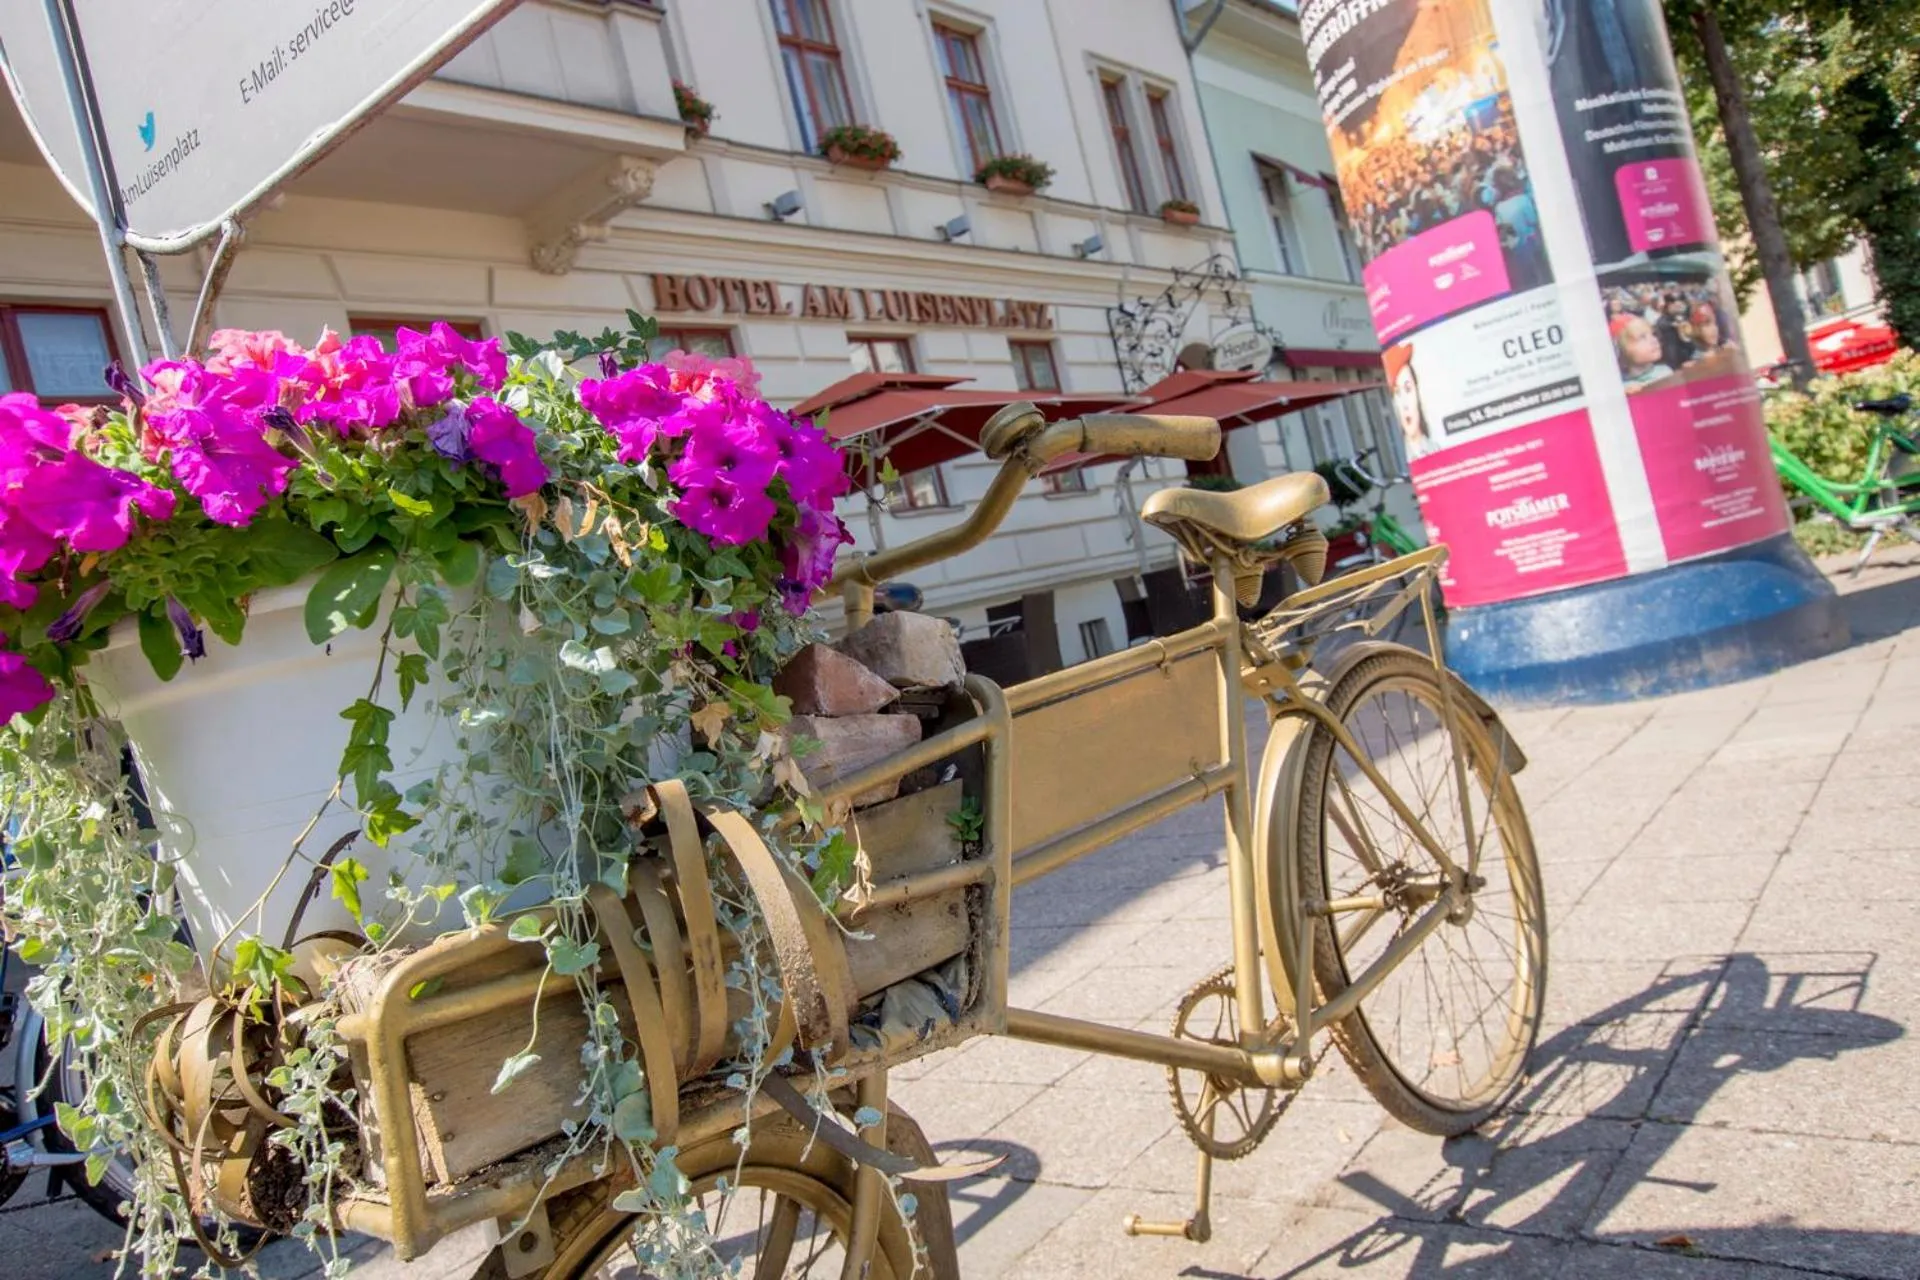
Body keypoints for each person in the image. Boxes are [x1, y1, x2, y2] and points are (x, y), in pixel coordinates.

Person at [1382, 343, 1429, 457]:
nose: (1405, 404)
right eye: (1397, 393)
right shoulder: (1399, 456)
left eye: (1408, 389)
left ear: (1417, 391)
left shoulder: (1436, 448)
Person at [1612, 314, 1674, 389]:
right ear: (1622, 349)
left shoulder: (1665, 372)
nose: (1654, 340)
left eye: (1653, 334)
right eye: (1642, 337)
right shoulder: (1618, 387)